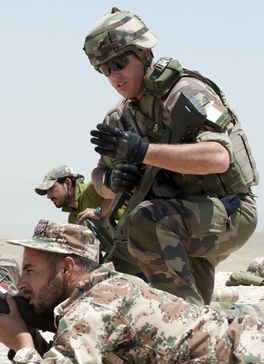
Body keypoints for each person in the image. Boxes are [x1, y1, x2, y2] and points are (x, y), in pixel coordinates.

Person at [0, 220, 264, 364]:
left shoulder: (97, 307)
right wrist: (29, 335)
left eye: (30, 271)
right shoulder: (99, 294)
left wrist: (21, 343)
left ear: (67, 268)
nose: (21, 283)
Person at [83, 7, 258, 306]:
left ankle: (184, 325)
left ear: (144, 53)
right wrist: (112, 182)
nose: (114, 75)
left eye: (119, 63)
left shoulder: (185, 92)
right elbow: (99, 177)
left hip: (227, 210)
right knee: (183, 307)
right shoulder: (120, 116)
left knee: (144, 222)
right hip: (177, 218)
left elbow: (219, 157)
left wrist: (143, 152)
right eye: (105, 69)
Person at [35, 164, 142, 276]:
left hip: (137, 240)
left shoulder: (92, 189)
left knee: (83, 226)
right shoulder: (73, 217)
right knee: (105, 277)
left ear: (67, 183)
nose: (48, 195)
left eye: (52, 188)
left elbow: (116, 184)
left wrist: (99, 211)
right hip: (129, 257)